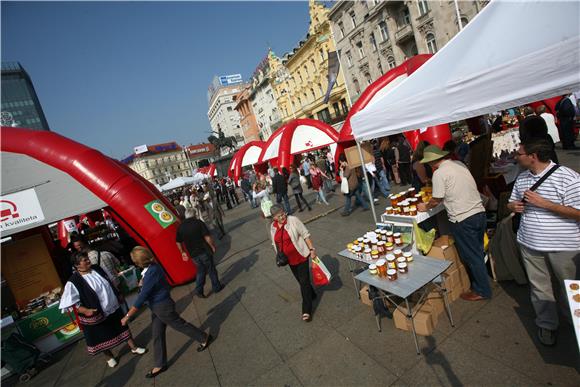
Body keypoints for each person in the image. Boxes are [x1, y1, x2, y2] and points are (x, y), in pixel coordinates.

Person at [506, 138, 580, 346]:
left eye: (519, 153)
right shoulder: (522, 179)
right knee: (540, 288)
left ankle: (576, 325)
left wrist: (546, 204)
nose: (515, 157)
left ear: (533, 156)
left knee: (571, 290)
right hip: (529, 244)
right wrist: (512, 207)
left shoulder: (569, 178)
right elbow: (512, 201)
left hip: (564, 247)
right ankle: (547, 324)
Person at [122, 247, 212, 378]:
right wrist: (142, 284)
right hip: (157, 306)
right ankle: (160, 364)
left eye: (134, 261)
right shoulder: (152, 268)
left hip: (162, 306)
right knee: (157, 334)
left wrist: (127, 316)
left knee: (180, 325)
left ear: (139, 262)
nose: (134, 263)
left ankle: (204, 338)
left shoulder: (151, 272)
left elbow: (143, 297)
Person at [417, 145, 492, 301]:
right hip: (479, 212)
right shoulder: (459, 164)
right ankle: (481, 283)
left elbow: (436, 199)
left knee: (473, 256)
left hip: (463, 218)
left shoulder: (439, 173)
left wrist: (425, 206)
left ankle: (482, 290)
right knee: (478, 251)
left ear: (431, 163)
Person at [59, 251, 146, 368]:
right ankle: (109, 357)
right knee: (101, 336)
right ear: (77, 266)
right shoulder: (74, 281)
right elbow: (69, 303)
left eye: (87, 258)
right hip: (95, 313)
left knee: (122, 327)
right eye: (84, 260)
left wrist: (117, 293)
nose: (88, 261)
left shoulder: (97, 268)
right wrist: (85, 310)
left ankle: (134, 347)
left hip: (112, 306)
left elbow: (109, 282)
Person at [269, 205, 318, 322]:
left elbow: (305, 235)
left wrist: (312, 250)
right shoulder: (272, 227)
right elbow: (274, 242)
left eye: (283, 213)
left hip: (301, 255)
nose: (282, 217)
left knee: (304, 282)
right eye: (278, 216)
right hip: (288, 260)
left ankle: (306, 310)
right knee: (301, 281)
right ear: (274, 217)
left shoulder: (293, 220)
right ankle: (312, 294)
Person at [176, 209, 223, 297]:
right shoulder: (198, 223)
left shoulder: (181, 227)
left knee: (200, 271)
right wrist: (212, 246)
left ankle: (199, 290)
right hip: (203, 251)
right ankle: (216, 287)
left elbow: (178, 241)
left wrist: (182, 252)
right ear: (194, 215)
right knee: (211, 269)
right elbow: (207, 237)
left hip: (193, 254)